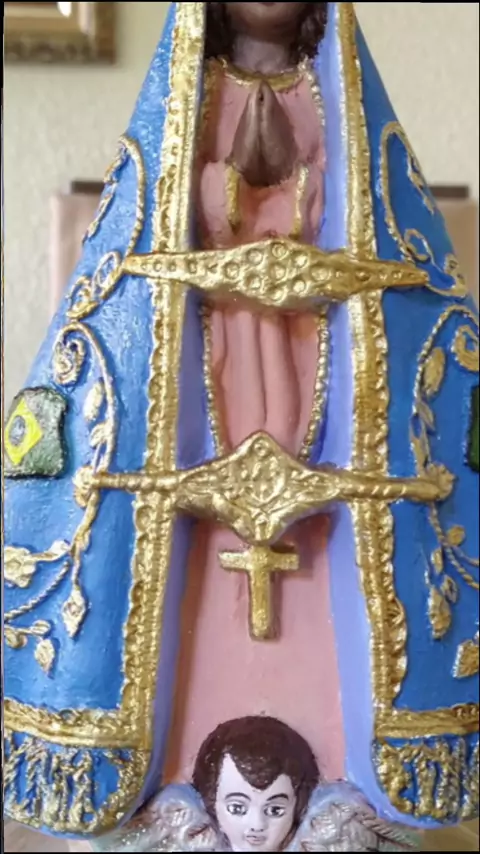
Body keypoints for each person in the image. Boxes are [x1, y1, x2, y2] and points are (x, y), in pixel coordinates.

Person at [4, 1, 478, 845]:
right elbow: (160, 222)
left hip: (322, 365)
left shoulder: (335, 96)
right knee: (188, 567)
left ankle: (335, 776)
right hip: (199, 366)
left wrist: (300, 199)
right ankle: (181, 778)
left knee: (327, 554)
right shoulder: (198, 92)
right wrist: (224, 192)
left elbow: (363, 214)